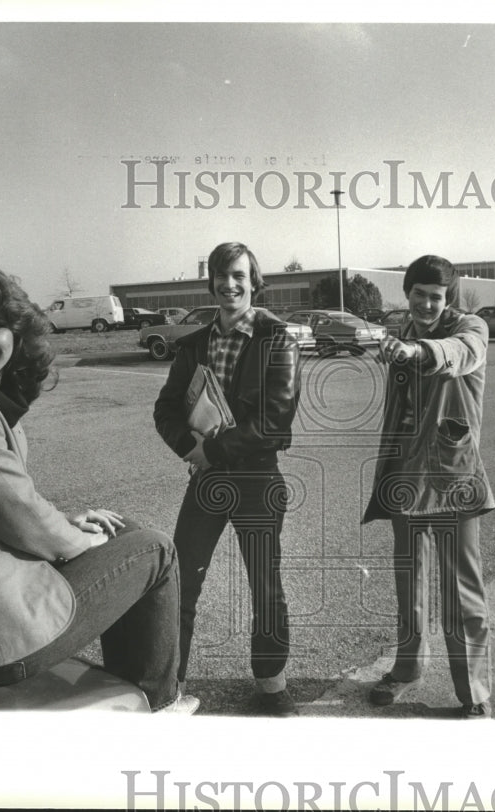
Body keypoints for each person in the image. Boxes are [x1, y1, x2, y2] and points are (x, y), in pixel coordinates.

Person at [0, 260, 197, 713]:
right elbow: (18, 514)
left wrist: (71, 524)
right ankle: (159, 704)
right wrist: (76, 540)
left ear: (16, 333)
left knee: (123, 530)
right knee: (154, 550)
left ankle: (127, 689)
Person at [153, 241, 301, 716]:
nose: (229, 284)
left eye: (238, 275)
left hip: (257, 480)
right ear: (211, 282)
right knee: (180, 582)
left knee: (265, 584)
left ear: (254, 280)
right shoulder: (194, 343)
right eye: (221, 275)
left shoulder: (277, 340)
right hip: (206, 482)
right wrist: (190, 449)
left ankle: (272, 685)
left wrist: (209, 450)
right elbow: (165, 408)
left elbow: (276, 422)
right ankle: (167, 688)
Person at [363, 254, 495, 719]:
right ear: (408, 293)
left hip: (451, 477)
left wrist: (419, 352)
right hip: (405, 475)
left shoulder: (471, 328)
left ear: (449, 298)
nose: (426, 304)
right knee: (409, 582)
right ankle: (406, 668)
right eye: (418, 295)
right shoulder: (402, 331)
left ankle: (474, 693)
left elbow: (460, 354)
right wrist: (401, 348)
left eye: (435, 297)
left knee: (462, 589)